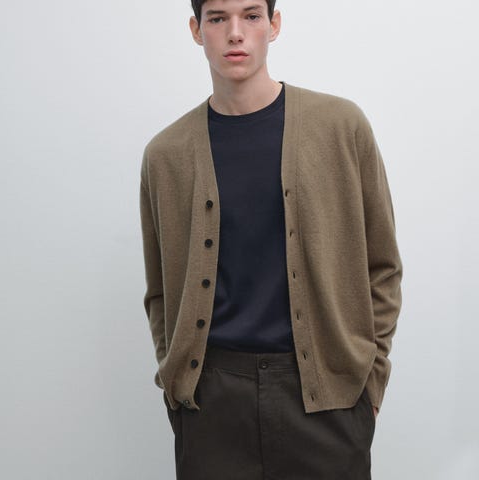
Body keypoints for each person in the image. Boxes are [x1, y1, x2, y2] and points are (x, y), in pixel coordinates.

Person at [139, 0, 403, 478]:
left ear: (274, 24)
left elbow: (383, 265)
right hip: (212, 403)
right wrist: (178, 382)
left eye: (251, 15)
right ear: (196, 30)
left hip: (326, 399)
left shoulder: (341, 127)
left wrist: (370, 384)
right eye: (217, 18)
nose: (235, 33)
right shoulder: (165, 155)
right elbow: (160, 291)